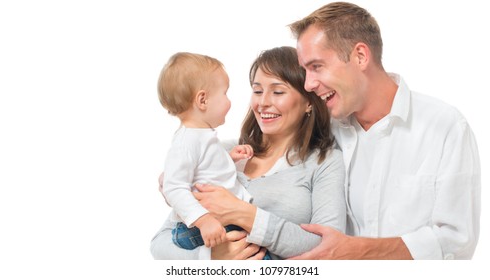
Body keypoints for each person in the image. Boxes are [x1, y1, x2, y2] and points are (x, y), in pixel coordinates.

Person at [285, 2, 481, 260]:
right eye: (305, 70)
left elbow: (458, 241)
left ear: (360, 56)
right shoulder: (323, 131)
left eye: (317, 66)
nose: (309, 84)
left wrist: (358, 252)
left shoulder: (444, 126)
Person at [150, 46, 346, 260]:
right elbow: (161, 242)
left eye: (278, 91)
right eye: (257, 90)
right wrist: (211, 260)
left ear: (309, 101)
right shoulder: (219, 152)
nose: (263, 103)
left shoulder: (324, 162)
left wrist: (244, 214)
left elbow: (330, 249)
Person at [157, 52, 259, 259]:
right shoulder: (187, 141)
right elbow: (174, 187)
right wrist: (204, 220)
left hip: (217, 220)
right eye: (225, 93)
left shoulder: (203, 136)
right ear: (202, 100)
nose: (229, 101)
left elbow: (206, 171)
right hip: (202, 227)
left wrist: (230, 159)